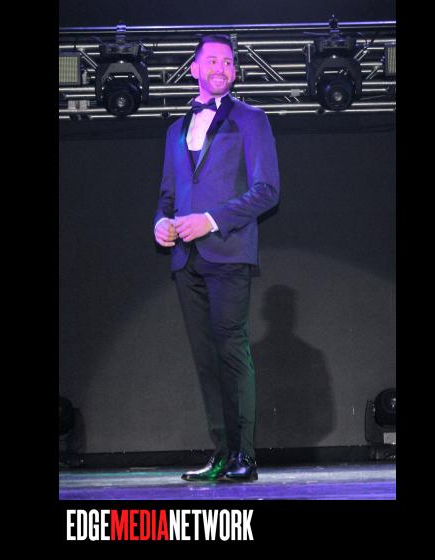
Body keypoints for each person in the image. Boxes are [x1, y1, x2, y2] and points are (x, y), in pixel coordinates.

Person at [154, 34, 280, 482]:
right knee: (206, 359)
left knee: (231, 352)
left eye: (228, 62)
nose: (221, 68)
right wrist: (161, 223)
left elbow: (267, 191)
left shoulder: (251, 119)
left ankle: (245, 456)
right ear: (194, 69)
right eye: (212, 61)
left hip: (228, 253)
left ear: (235, 71)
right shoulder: (175, 129)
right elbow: (168, 194)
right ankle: (222, 454)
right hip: (186, 260)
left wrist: (210, 220)